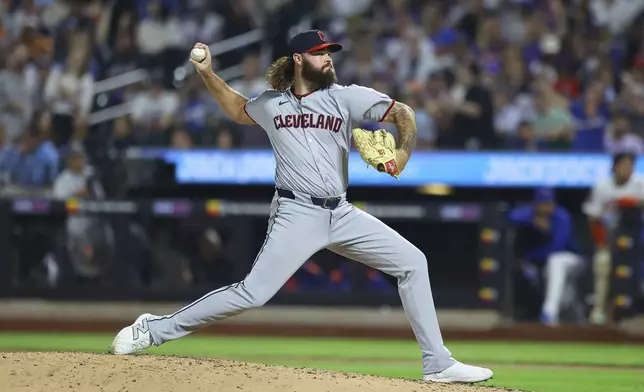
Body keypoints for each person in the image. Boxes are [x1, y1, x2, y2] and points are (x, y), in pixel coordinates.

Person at [110, 30, 493, 384]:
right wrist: (208, 73)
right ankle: (154, 329)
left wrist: (403, 153)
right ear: (298, 59)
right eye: (319, 53)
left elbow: (403, 113)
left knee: (413, 262)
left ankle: (438, 363)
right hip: (297, 214)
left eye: (330, 53)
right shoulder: (273, 104)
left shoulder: (346, 96)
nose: (328, 59)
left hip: (341, 213)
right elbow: (237, 109)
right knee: (252, 294)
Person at [582, 152, 644, 325]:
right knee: (602, 262)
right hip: (610, 239)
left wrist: (629, 202)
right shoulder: (603, 186)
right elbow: (593, 219)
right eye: (623, 165)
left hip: (638, 239)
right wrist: (602, 244)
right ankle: (599, 310)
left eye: (631, 166)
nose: (627, 169)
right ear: (615, 167)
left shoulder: (640, 184)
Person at [508, 188, 585, 326]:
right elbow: (511, 216)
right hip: (547, 265)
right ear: (536, 205)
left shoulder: (562, 217)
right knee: (565, 297)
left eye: (548, 204)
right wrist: (533, 221)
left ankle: (549, 313)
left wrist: (531, 255)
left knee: (556, 261)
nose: (546, 208)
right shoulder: (531, 214)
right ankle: (567, 316)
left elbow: (556, 248)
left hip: (572, 261)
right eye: (542, 204)